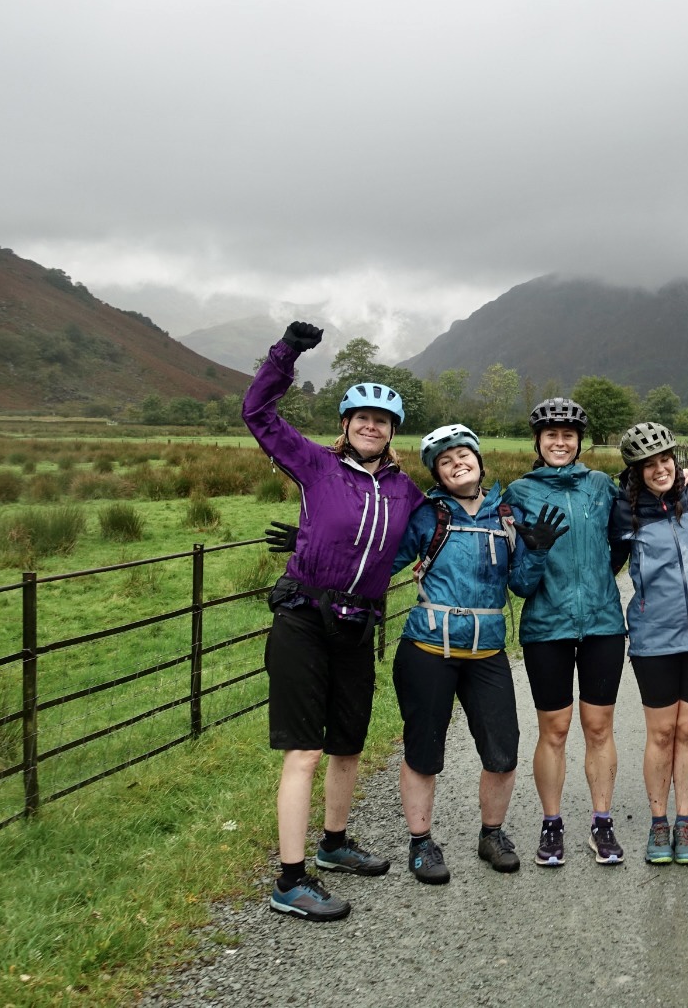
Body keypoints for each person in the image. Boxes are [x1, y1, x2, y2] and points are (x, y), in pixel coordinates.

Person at [244, 321, 424, 922]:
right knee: (306, 750)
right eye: (361, 417)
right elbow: (258, 412)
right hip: (303, 617)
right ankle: (290, 880)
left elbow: (452, 514)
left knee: (348, 744)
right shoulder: (317, 467)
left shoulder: (405, 491)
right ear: (346, 425)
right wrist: (286, 354)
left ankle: (335, 842)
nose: (372, 426)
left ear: (392, 432)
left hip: (358, 625)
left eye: (383, 420)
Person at [388, 424, 569, 884]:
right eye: (445, 462)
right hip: (428, 648)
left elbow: (522, 586)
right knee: (424, 751)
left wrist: (538, 552)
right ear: (437, 474)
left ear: (479, 461)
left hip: (487, 652)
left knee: (503, 751)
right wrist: (321, 549)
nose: (456, 465)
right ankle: (421, 843)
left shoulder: (505, 516)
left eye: (463, 456)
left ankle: (492, 834)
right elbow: (383, 560)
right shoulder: (427, 517)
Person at [504, 398, 629, 865]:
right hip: (546, 626)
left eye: (569, 435)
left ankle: (602, 824)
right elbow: (517, 583)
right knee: (553, 729)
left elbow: (617, 549)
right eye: (551, 435)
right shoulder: (518, 493)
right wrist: (534, 552)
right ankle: (551, 825)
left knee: (599, 727)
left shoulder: (602, 487)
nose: (560, 441)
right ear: (537, 441)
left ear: (580, 442)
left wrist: (598, 577)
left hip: (601, 624)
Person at [608, 422, 688, 864]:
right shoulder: (623, 510)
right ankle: (659, 824)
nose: (660, 469)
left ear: (676, 459)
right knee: (662, 733)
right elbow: (603, 563)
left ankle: (684, 820)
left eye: (665, 460)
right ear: (636, 472)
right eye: (648, 464)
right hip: (653, 637)